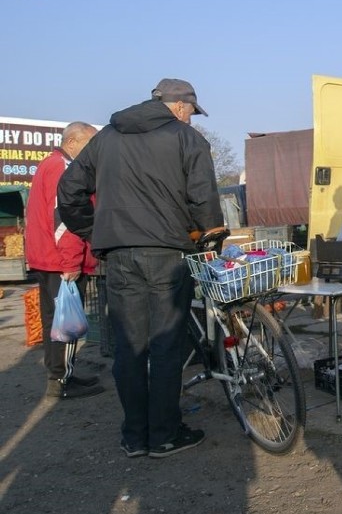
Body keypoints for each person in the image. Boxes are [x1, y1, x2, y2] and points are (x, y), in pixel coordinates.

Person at [57, 78, 225, 459]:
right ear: (181, 107)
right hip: (168, 252)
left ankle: (135, 436)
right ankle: (164, 434)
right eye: (192, 113)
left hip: (118, 254)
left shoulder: (107, 136)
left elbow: (69, 190)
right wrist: (212, 237)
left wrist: (94, 231)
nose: (192, 120)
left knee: (130, 348)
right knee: (166, 346)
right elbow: (204, 199)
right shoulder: (186, 138)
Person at [25, 121, 105, 400]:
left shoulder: (48, 164)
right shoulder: (66, 168)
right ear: (73, 142)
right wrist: (71, 262)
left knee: (53, 321)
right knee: (66, 322)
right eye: (90, 144)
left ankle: (59, 374)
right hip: (61, 261)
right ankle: (61, 380)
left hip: (46, 258)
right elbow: (65, 221)